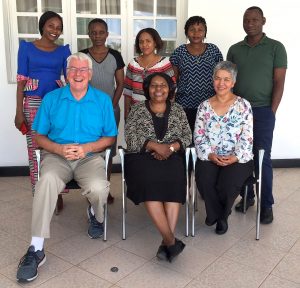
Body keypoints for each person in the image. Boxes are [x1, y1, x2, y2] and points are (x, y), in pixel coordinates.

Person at [16, 52, 117, 283]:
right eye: (73, 69)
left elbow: (110, 137)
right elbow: (39, 136)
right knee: (46, 183)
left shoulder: (102, 100)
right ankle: (36, 249)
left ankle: (95, 214)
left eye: (83, 70)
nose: (78, 74)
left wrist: (88, 147)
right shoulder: (52, 98)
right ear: (66, 73)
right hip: (57, 157)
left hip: (89, 157)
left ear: (90, 74)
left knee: (99, 188)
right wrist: (59, 150)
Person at [227, 6, 287, 224]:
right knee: (242, 156)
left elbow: (279, 82)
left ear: (263, 21)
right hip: (238, 111)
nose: (250, 23)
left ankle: (266, 204)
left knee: (262, 158)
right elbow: (228, 82)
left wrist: (271, 111)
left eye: (254, 19)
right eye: (246, 19)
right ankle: (247, 197)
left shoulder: (275, 47)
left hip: (263, 110)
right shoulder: (234, 49)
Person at [125, 72, 192, 262]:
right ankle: (171, 241)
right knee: (149, 182)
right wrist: (155, 146)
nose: (158, 89)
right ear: (147, 89)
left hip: (172, 156)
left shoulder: (178, 109)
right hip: (141, 157)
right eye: (154, 85)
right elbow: (130, 137)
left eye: (163, 85)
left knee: (175, 179)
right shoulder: (137, 110)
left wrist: (169, 148)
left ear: (170, 89)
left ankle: (166, 243)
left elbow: (187, 136)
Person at [14, 11, 71, 195]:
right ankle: (39, 191)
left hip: (57, 104)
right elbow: (21, 81)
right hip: (33, 102)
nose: (55, 30)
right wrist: (18, 112)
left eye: (59, 28)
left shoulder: (64, 51)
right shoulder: (26, 48)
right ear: (43, 26)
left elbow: (70, 80)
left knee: (56, 144)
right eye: (51, 26)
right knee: (34, 148)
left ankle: (58, 192)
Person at [194, 61, 254, 235]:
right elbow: (199, 136)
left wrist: (236, 156)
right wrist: (210, 155)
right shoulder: (204, 106)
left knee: (227, 184)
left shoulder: (244, 106)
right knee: (204, 180)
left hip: (237, 158)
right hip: (210, 156)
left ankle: (221, 217)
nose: (221, 83)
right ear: (213, 80)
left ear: (233, 82)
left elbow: (247, 137)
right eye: (218, 78)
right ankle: (215, 214)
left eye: (226, 79)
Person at [80, 18, 125, 204]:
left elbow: (120, 83)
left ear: (107, 34)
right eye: (94, 32)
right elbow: (77, 83)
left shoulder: (115, 55)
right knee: (89, 149)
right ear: (89, 34)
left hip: (110, 110)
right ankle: (91, 188)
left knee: (107, 150)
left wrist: (112, 106)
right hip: (87, 112)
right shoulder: (82, 56)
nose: (97, 36)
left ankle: (105, 188)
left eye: (101, 32)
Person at [170, 16, 223, 132]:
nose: (196, 33)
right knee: (186, 140)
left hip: (210, 104)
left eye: (200, 30)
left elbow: (221, 77)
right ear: (186, 32)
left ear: (205, 32)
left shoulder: (214, 50)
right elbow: (173, 81)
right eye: (192, 29)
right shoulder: (179, 52)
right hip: (185, 104)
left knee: (208, 138)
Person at [123, 28, 176, 119]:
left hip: (159, 113)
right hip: (136, 113)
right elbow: (127, 91)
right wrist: (127, 112)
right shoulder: (133, 64)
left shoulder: (165, 63)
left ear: (155, 42)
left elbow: (172, 89)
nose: (144, 45)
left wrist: (169, 113)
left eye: (148, 41)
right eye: (141, 42)